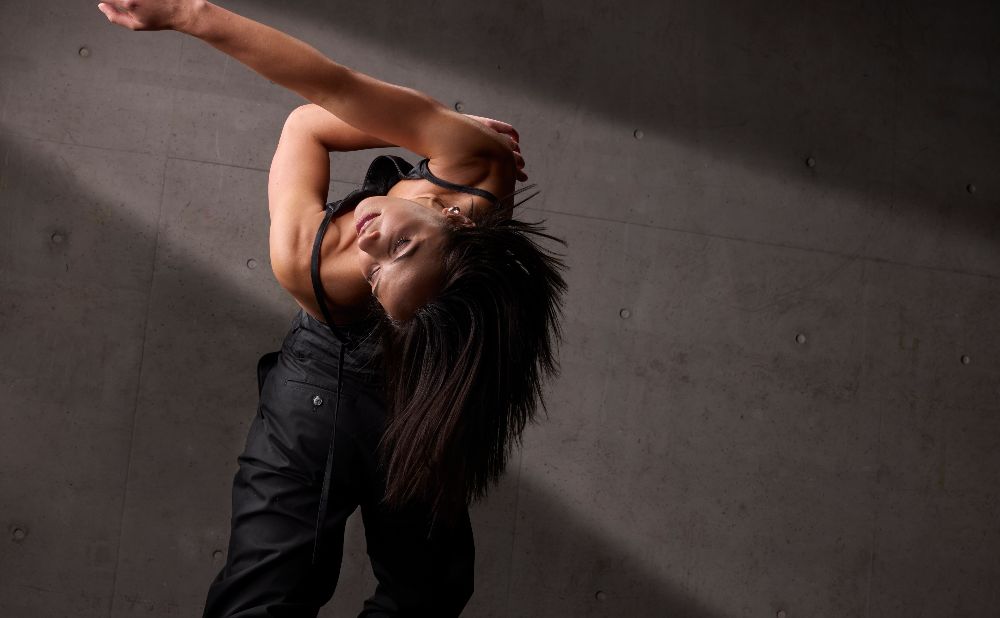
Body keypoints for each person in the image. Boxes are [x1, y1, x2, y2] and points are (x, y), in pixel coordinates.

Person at [98, 1, 567, 616]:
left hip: (422, 400)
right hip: (327, 390)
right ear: (455, 220)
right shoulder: (482, 170)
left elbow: (307, 123)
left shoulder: (306, 260)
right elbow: (330, 88)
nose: (371, 242)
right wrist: (189, 11)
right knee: (266, 599)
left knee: (428, 595)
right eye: (402, 245)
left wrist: (423, 125)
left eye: (377, 275)